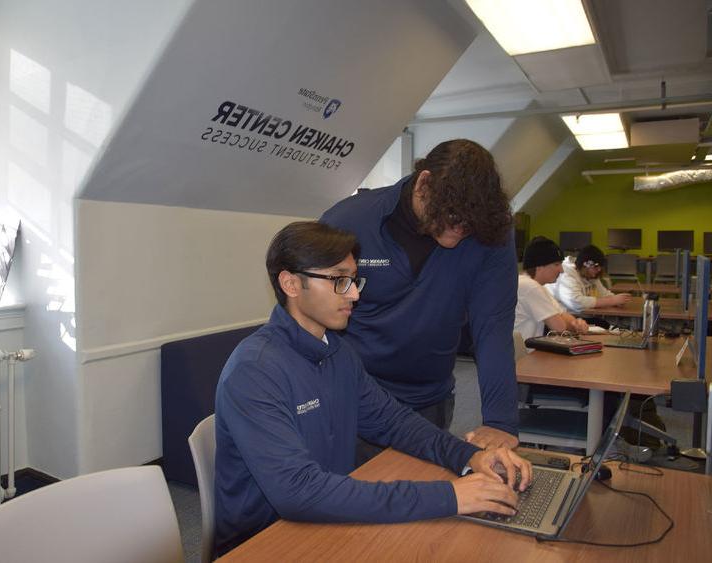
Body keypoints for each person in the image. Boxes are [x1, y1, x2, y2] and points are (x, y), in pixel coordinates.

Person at [214, 221, 532, 555]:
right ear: (291, 283)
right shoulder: (255, 370)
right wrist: (450, 496)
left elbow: (394, 422)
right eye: (339, 280)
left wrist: (471, 458)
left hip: (326, 522)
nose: (354, 293)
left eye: (353, 280)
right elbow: (299, 493)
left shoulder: (336, 351)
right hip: (265, 545)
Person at [320, 139, 519, 451]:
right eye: (453, 218)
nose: (459, 232)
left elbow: (493, 327)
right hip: (354, 398)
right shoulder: (349, 221)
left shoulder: (491, 231)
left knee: (424, 492)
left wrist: (500, 422)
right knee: (352, 493)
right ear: (424, 183)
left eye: (469, 226)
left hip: (429, 400)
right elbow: (311, 313)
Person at [515, 236, 589, 343]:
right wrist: (572, 323)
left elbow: (564, 316)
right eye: (557, 264)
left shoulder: (539, 287)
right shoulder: (529, 286)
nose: (562, 270)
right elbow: (559, 327)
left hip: (530, 353)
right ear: (539, 266)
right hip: (523, 357)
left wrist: (576, 323)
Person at [546, 244, 631, 315]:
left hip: (582, 317)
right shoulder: (566, 275)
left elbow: (603, 293)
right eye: (596, 267)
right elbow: (576, 303)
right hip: (564, 318)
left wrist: (617, 300)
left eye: (600, 268)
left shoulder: (590, 274)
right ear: (585, 265)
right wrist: (611, 300)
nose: (598, 270)